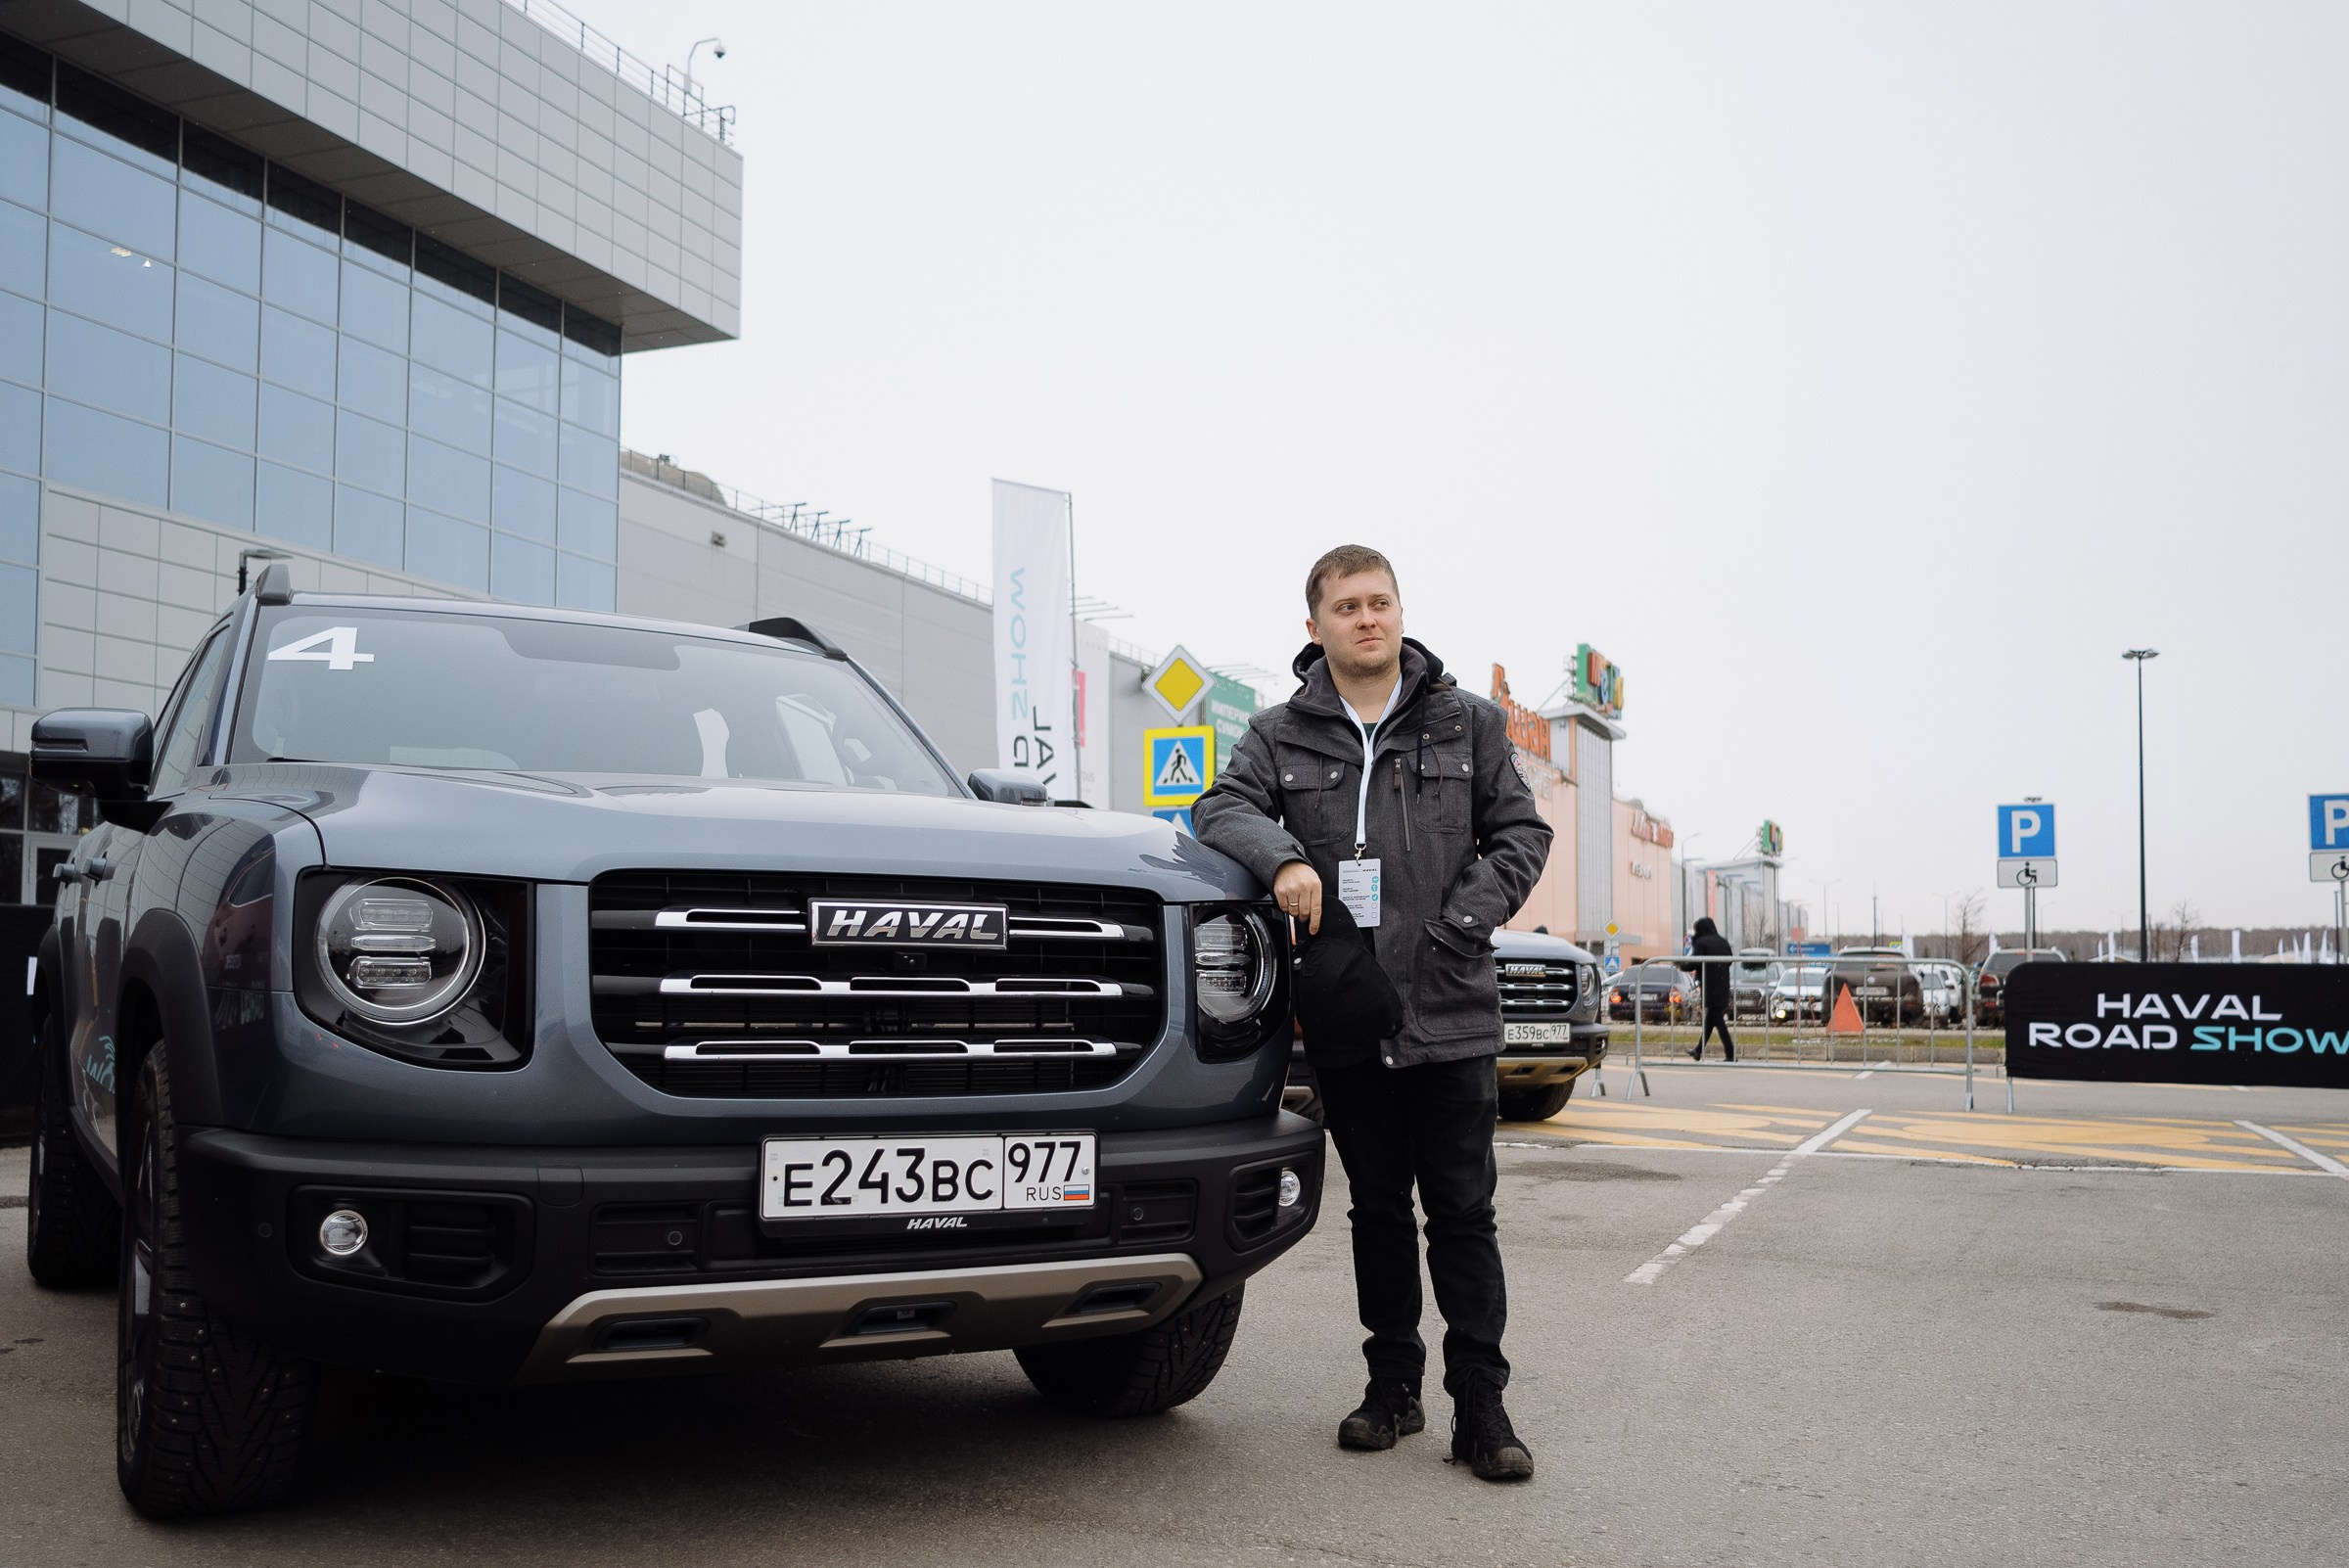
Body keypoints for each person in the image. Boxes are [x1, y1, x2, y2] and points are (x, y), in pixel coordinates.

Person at [1191, 545, 1552, 1483]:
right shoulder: (1279, 734)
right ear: (1315, 627)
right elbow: (1218, 806)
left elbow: (1522, 831)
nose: (1367, 618)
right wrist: (1283, 859)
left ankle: (1482, 1403)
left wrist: (1462, 923)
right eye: (1346, 606)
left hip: (1452, 1010)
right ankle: (1392, 1387)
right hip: (1351, 1018)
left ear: (1400, 613)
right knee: (1380, 1214)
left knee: (1464, 1215)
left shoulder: (1464, 722)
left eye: (1380, 602)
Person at [1683, 915, 1734, 1061]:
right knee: (1711, 1020)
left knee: (1717, 1020)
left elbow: (1695, 963)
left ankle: (1731, 1055)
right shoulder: (1723, 942)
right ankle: (1698, 1051)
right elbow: (1730, 961)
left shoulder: (1701, 942)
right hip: (1723, 984)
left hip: (1709, 985)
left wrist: (1681, 965)